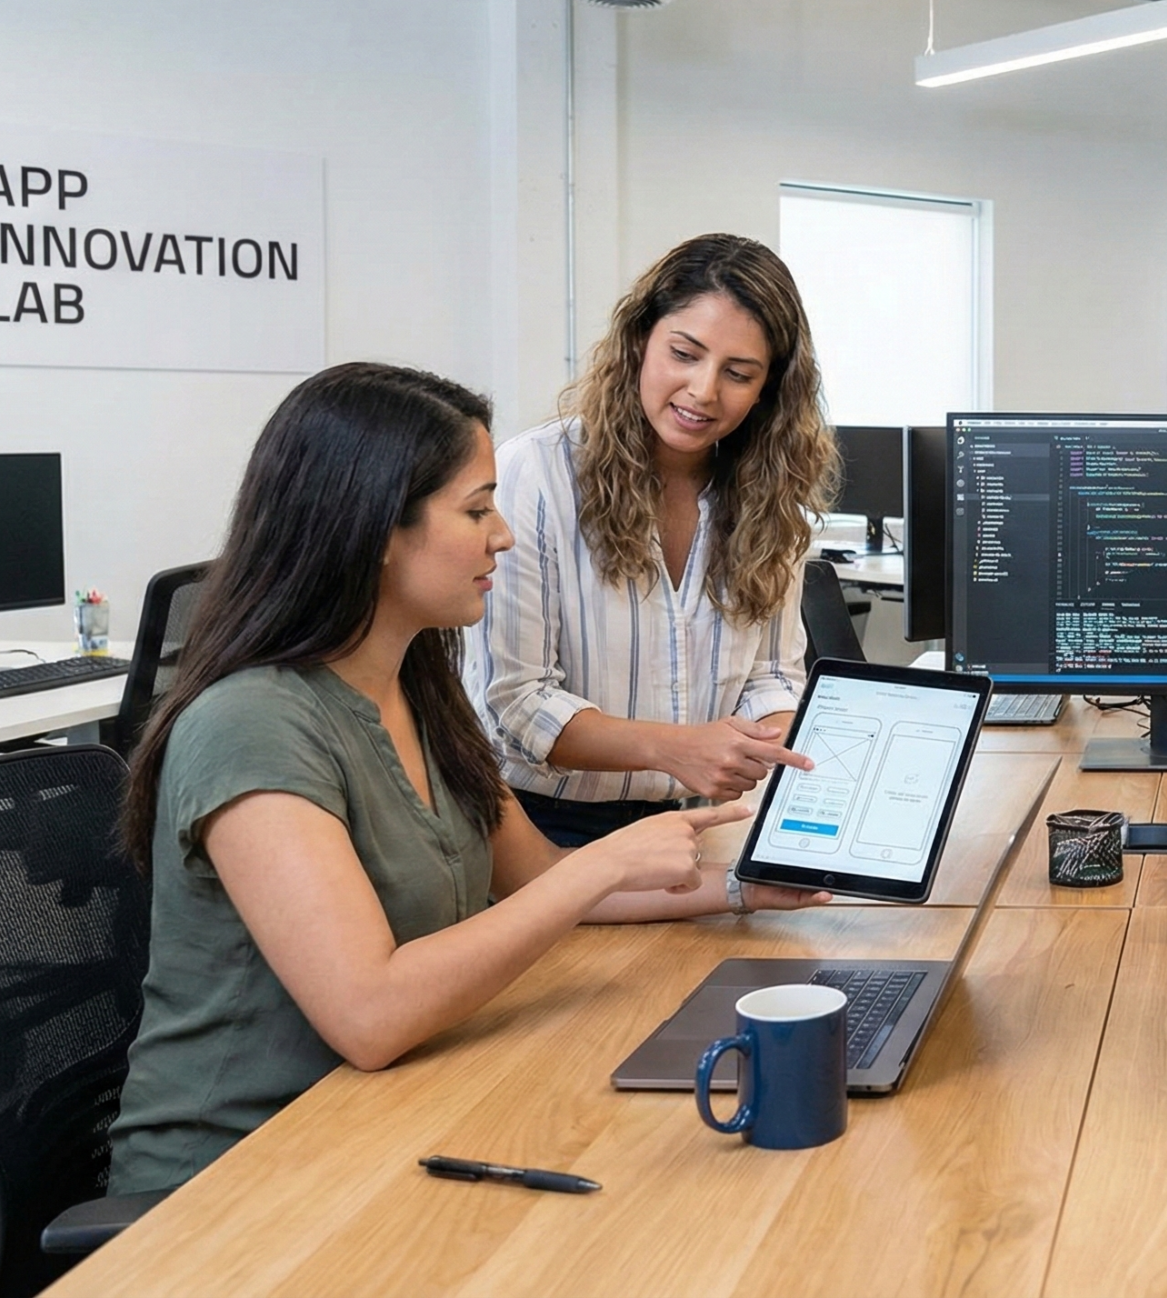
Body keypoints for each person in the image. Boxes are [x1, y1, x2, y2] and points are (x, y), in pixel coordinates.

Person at [109, 363, 830, 1193]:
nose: (504, 536)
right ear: (377, 528)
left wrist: (743, 887)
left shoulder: (417, 684)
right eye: (476, 509)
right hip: (238, 1181)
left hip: (396, 1116)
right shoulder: (253, 726)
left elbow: (542, 881)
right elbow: (370, 1016)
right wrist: (607, 859)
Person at [466, 233, 839, 846]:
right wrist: (678, 750)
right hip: (540, 829)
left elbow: (772, 676)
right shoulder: (535, 474)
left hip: (700, 825)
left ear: (769, 388)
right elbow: (516, 704)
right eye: (684, 354)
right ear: (641, 340)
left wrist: (790, 752)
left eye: (738, 374)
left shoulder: (773, 499)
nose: (703, 391)